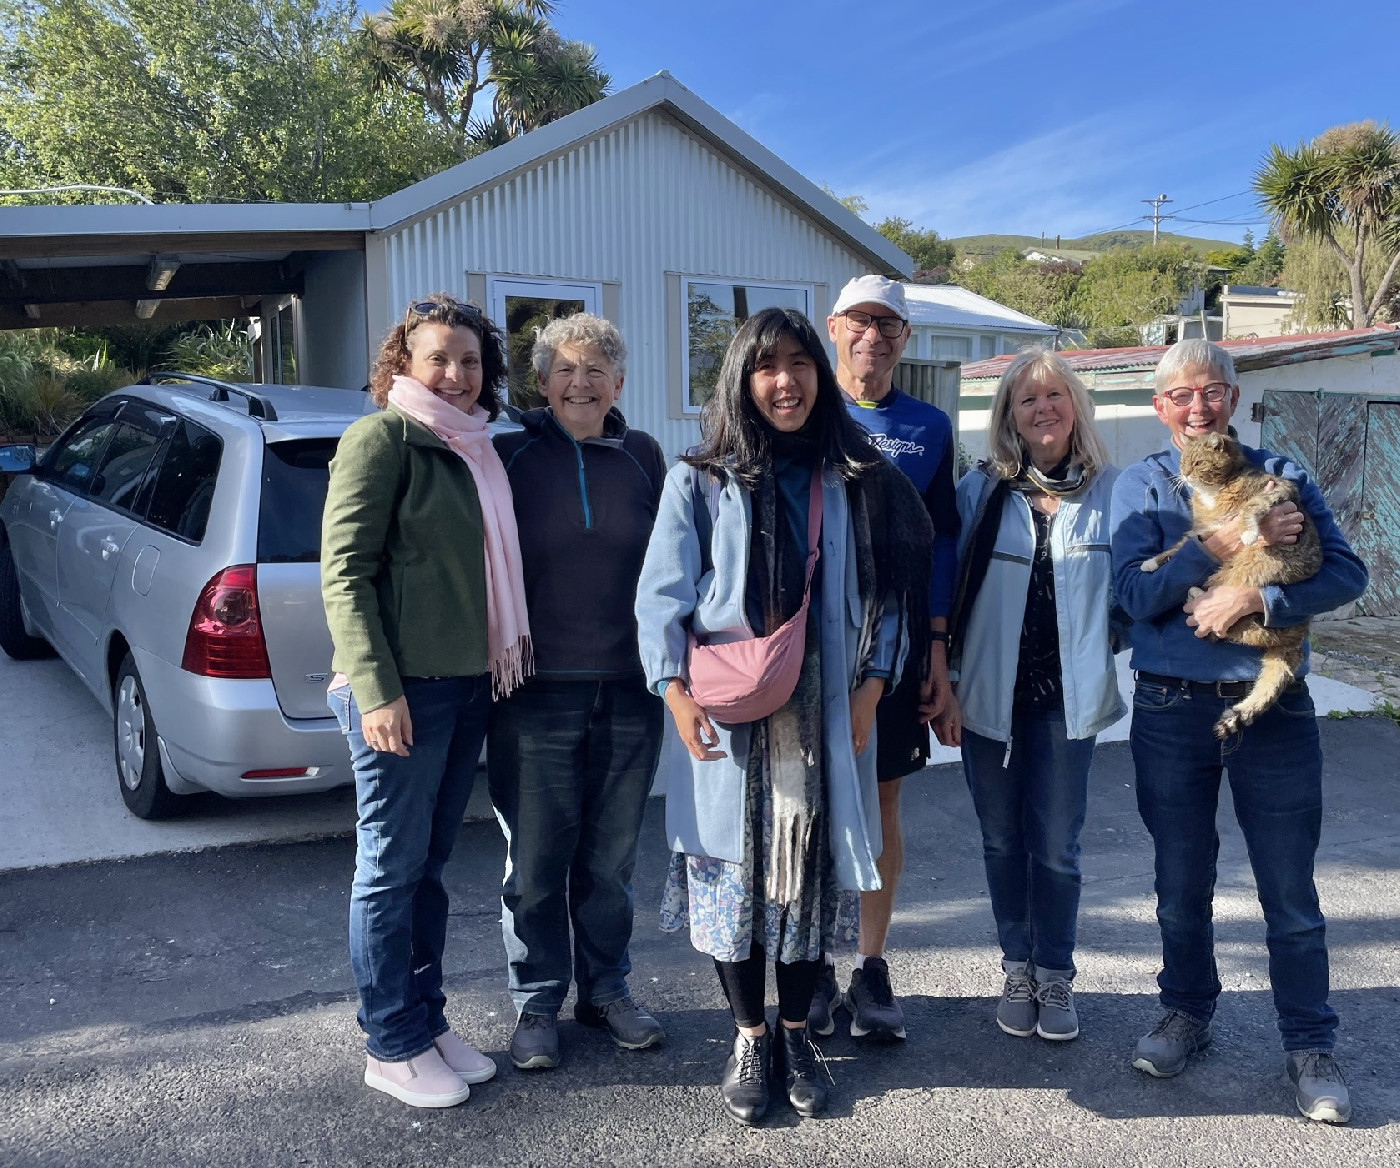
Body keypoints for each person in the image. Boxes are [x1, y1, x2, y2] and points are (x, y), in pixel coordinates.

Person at [636, 307, 933, 1126]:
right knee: (734, 877)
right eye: (767, 365)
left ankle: (798, 1031)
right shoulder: (698, 477)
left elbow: (890, 593)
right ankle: (748, 1033)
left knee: (802, 882)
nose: (786, 380)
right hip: (726, 710)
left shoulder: (853, 475)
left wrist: (874, 686)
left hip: (820, 707)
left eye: (800, 362)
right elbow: (661, 594)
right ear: (743, 377)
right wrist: (673, 690)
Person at [1109, 337, 1368, 1123]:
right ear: (1161, 409)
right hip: (1169, 708)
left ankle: (1309, 1044)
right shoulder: (1141, 486)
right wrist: (1217, 552)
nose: (1198, 407)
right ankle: (1187, 1012)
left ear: (1234, 398)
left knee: (1289, 889)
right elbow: (1129, 596)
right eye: (1181, 396)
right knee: (1180, 885)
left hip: (1274, 705)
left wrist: (1260, 603)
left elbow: (1347, 573)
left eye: (1212, 391)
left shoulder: (1284, 477)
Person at [321, 293, 531, 1109]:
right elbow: (343, 574)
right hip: (400, 693)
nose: (456, 373)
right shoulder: (382, 439)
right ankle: (391, 1041)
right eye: (439, 357)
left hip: (465, 684)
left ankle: (425, 1018)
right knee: (389, 870)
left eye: (471, 360)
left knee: (428, 871)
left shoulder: (477, 449)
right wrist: (377, 690)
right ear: (403, 362)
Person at [488, 313, 668, 1071]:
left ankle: (607, 990)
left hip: (631, 690)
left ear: (619, 384)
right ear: (541, 382)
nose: (581, 382)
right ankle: (536, 999)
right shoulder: (506, 456)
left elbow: (679, 562)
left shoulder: (645, 456)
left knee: (611, 861)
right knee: (534, 863)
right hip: (535, 693)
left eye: (597, 369)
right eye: (565, 369)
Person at [933, 349, 1123, 1042]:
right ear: (1008, 416)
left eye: (1055, 395)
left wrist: (1109, 642)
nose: (1043, 408)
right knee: (1000, 838)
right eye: (1026, 399)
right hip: (990, 697)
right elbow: (947, 598)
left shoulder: (1112, 490)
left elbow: (1136, 583)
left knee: (1058, 846)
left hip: (1066, 702)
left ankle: (1056, 974)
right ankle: (1017, 965)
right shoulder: (981, 491)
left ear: (1076, 405)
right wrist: (945, 683)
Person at [814, 274, 960, 1040]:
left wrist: (938, 651)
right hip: (805, 641)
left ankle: (869, 965)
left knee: (883, 802)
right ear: (832, 326)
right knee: (800, 802)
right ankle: (809, 965)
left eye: (889, 325)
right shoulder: (801, 403)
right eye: (860, 321)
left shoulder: (930, 425)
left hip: (897, 644)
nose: (873, 335)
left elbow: (942, 542)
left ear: (905, 338)